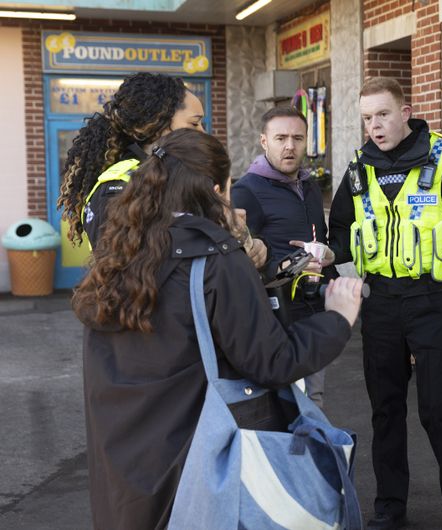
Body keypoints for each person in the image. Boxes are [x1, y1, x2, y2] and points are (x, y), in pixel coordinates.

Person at [72, 128, 363, 530]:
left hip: (123, 467)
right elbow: (271, 361)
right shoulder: (215, 259)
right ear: (215, 189)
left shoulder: (118, 255)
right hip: (196, 466)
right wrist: (338, 318)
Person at [329, 77, 442, 530]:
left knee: (440, 408)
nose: (374, 126)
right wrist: (327, 253)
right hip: (379, 300)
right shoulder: (360, 166)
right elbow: (341, 230)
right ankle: (389, 506)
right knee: (385, 408)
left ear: (406, 111)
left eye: (382, 114)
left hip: (433, 299)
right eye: (366, 118)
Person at [56, 72, 266, 267]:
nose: (204, 134)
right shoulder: (118, 185)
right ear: (156, 124)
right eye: (194, 124)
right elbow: (134, 268)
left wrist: (247, 243)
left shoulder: (186, 176)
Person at [232, 106, 336, 407]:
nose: (290, 146)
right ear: (264, 141)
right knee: (285, 402)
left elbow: (320, 239)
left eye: (297, 138)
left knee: (313, 399)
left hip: (315, 308)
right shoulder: (246, 191)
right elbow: (245, 259)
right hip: (277, 316)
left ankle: (307, 454)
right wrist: (287, 264)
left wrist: (327, 257)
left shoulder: (310, 186)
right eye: (280, 138)